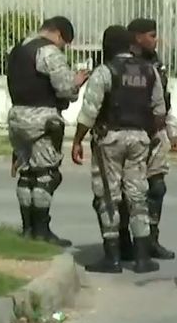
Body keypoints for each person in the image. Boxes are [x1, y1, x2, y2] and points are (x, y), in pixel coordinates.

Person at [71, 26, 166, 274]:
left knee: (108, 196)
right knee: (137, 195)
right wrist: (149, 134)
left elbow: (89, 111)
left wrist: (77, 141)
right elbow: (159, 111)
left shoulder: (105, 71)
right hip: (140, 139)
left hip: (109, 139)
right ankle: (142, 258)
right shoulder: (149, 71)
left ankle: (112, 258)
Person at [6, 16, 89, 247]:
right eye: (65, 43)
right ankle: (42, 231)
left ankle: (28, 229)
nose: (63, 47)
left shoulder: (18, 49)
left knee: (26, 174)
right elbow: (65, 89)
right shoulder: (49, 52)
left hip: (17, 117)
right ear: (59, 34)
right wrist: (78, 82)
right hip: (42, 119)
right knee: (45, 174)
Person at [107, 17, 177, 261]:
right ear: (137, 37)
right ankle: (125, 241)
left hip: (154, 134)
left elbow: (163, 101)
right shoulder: (119, 62)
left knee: (156, 187)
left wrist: (171, 130)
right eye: (151, 35)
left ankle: (151, 240)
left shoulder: (154, 64)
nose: (155, 39)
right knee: (128, 192)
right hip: (128, 134)